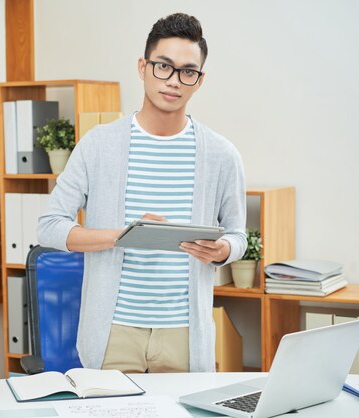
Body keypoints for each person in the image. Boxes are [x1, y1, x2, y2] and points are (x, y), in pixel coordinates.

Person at [37, 12, 246, 373]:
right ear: (143, 66)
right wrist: (124, 236)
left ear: (199, 80)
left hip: (184, 331)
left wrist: (222, 249)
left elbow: (238, 235)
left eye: (187, 71)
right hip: (113, 331)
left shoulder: (221, 154)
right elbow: (49, 226)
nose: (174, 81)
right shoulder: (99, 145)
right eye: (163, 66)